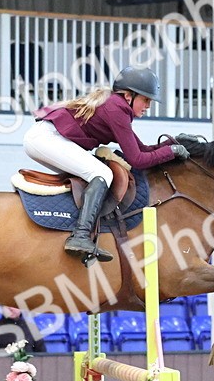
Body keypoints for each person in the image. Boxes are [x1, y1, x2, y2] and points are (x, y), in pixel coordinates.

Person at [24, 65, 190, 264]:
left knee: (97, 172)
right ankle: (80, 236)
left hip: (46, 138)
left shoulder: (117, 107)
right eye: (146, 100)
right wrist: (171, 152)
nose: (148, 106)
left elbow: (142, 150)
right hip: (45, 139)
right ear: (129, 96)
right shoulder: (116, 109)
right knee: (102, 173)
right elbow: (138, 160)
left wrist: (172, 144)